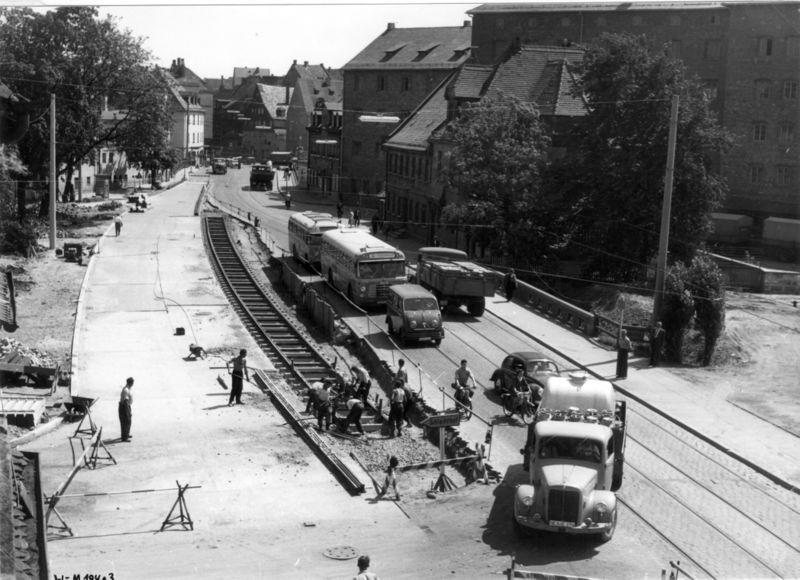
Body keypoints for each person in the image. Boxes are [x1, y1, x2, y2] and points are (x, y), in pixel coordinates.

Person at [118, 377, 134, 442]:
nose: (133, 384)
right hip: (125, 406)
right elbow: (125, 401)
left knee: (128, 421)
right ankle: (124, 437)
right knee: (125, 421)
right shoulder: (126, 390)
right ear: (130, 383)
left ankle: (126, 434)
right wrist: (127, 411)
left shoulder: (128, 389)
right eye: (132, 383)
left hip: (127, 406)